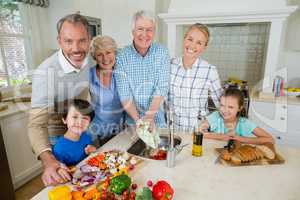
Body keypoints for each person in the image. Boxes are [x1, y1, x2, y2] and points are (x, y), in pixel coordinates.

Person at [28, 13, 94, 186]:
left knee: (87, 180)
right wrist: (48, 160)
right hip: (56, 137)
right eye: (68, 41)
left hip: (78, 128)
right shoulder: (45, 74)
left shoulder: (90, 61)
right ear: (59, 41)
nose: (76, 48)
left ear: (89, 40)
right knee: (64, 185)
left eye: (82, 40)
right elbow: (36, 125)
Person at [115, 10, 170, 130]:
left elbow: (162, 87)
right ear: (133, 31)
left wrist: (149, 117)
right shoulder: (121, 56)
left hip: (158, 122)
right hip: (133, 124)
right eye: (140, 29)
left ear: (154, 32)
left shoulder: (162, 52)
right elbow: (125, 94)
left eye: (149, 30)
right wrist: (140, 121)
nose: (145, 34)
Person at [169, 23, 223, 132]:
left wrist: (208, 122)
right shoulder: (169, 65)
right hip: (173, 132)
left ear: (204, 47)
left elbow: (223, 107)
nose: (192, 46)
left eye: (199, 43)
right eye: (190, 39)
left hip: (198, 134)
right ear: (184, 39)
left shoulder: (210, 71)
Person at [200, 88, 275, 144]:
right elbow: (199, 132)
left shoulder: (244, 123)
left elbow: (270, 139)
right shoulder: (215, 116)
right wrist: (222, 137)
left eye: (230, 107)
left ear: (240, 108)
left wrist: (241, 139)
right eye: (222, 105)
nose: (225, 110)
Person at [88, 35, 124, 146]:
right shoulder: (87, 76)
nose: (105, 58)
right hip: (95, 135)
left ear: (115, 53)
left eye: (108, 52)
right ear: (94, 57)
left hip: (120, 132)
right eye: (100, 54)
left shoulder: (123, 73)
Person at [53, 99, 96, 168]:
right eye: (75, 117)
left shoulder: (87, 136)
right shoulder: (59, 150)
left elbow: (88, 156)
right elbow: (62, 173)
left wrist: (92, 151)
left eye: (85, 118)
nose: (80, 122)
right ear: (64, 120)